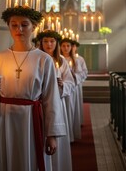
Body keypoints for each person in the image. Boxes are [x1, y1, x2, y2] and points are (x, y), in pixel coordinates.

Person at [0, 5, 66, 171]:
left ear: (34, 27)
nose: (18, 29)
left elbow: (51, 99)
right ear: (8, 26)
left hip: (31, 120)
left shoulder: (44, 60)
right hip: (5, 119)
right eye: (13, 25)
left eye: (24, 24)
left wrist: (52, 135)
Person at [37, 30, 74, 171]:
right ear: (41, 42)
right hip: (39, 104)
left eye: (52, 41)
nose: (49, 44)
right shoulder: (36, 58)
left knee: (55, 137)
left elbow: (70, 83)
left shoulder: (61, 61)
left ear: (56, 43)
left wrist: (62, 85)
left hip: (57, 103)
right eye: (45, 41)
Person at [60, 38, 80, 141]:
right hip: (60, 90)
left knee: (70, 110)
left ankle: (70, 133)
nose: (66, 48)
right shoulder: (59, 59)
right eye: (63, 46)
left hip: (71, 88)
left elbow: (82, 73)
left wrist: (74, 75)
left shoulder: (76, 59)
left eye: (68, 46)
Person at [72, 41, 88, 126]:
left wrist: (75, 76)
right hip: (64, 86)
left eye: (70, 46)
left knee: (76, 104)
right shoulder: (61, 58)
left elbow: (85, 72)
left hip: (75, 85)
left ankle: (77, 122)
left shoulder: (80, 59)